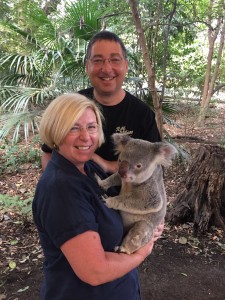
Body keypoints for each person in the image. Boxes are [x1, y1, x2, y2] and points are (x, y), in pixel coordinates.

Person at [33, 93, 164, 300]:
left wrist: (153, 217)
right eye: (73, 127)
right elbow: (95, 272)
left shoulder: (88, 168)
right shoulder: (62, 190)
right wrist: (141, 252)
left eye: (91, 127)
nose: (86, 137)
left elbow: (134, 191)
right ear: (55, 131)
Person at [41, 31, 161, 173]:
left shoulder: (142, 114)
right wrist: (55, 184)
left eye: (115, 60)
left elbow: (154, 167)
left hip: (124, 194)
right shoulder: (71, 107)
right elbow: (48, 151)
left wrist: (106, 165)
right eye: (98, 60)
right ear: (87, 66)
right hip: (74, 190)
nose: (106, 68)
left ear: (126, 66)